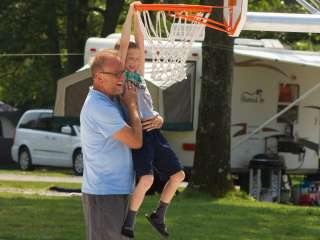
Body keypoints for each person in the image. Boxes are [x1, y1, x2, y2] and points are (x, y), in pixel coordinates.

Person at [117, 2, 185, 238]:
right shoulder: (122, 77)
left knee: (178, 176)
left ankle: (159, 215)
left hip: (154, 130)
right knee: (146, 178)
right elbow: (126, 42)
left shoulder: (140, 76)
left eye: (137, 58)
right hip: (140, 133)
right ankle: (128, 222)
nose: (134, 61)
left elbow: (140, 42)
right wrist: (130, 13)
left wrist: (139, 16)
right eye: (129, 58)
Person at [80, 49, 142, 240]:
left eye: (123, 72)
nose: (122, 78)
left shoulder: (110, 100)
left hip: (117, 190)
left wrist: (158, 120)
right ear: (99, 77)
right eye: (117, 74)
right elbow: (135, 141)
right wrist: (132, 105)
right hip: (104, 194)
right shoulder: (99, 107)